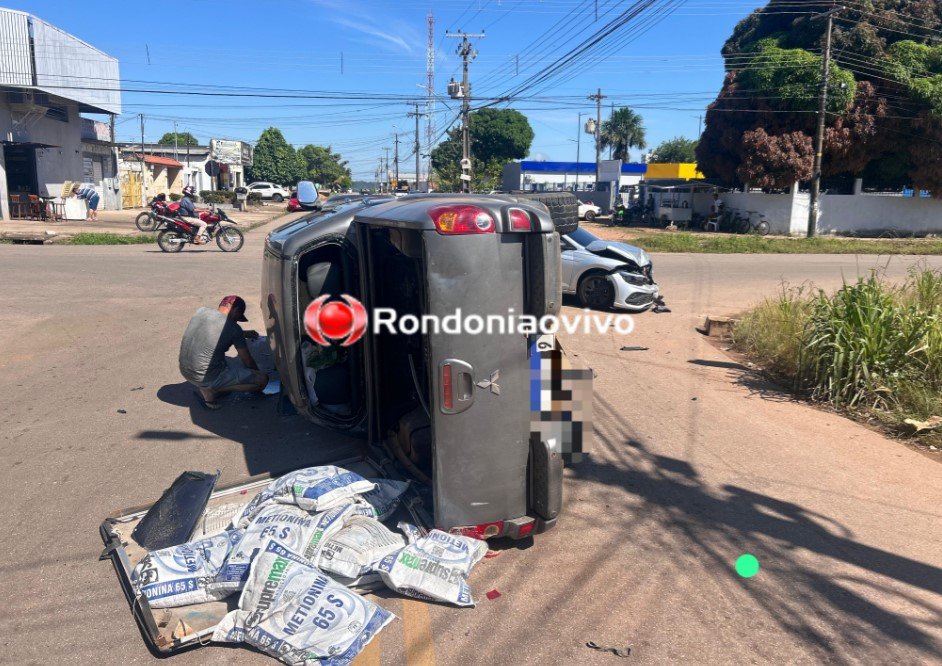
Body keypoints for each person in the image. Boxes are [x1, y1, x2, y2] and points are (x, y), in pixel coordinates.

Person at [179, 295, 268, 409]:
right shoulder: (234, 328)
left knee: (219, 357)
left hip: (185, 369)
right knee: (262, 380)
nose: (236, 321)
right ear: (235, 310)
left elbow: (210, 332)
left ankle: (210, 385)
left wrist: (243, 334)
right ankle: (213, 389)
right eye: (237, 317)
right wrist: (255, 374)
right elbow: (248, 362)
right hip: (205, 376)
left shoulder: (201, 312)